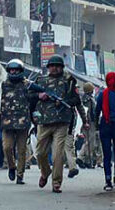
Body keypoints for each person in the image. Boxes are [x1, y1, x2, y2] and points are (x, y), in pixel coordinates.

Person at [30, 54, 89, 193]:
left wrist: (64, 102)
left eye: (57, 66)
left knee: (58, 155)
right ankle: (45, 172)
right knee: (40, 153)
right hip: (44, 122)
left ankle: (56, 182)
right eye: (52, 66)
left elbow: (76, 100)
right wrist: (39, 96)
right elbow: (29, 96)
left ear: (62, 67)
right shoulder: (40, 80)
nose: (54, 68)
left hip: (61, 123)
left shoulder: (69, 81)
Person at [0, 59, 32, 185]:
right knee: (7, 147)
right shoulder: (3, 85)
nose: (13, 72)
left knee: (22, 150)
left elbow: (36, 97)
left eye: (16, 70)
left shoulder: (27, 85)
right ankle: (11, 166)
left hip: (23, 122)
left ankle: (20, 175)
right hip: (7, 122)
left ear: (20, 71)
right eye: (11, 70)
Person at [77, 83, 102, 169]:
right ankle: (84, 159)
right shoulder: (88, 99)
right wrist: (87, 122)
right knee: (90, 142)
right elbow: (88, 111)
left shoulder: (86, 98)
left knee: (89, 141)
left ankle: (84, 159)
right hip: (90, 122)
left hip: (88, 122)